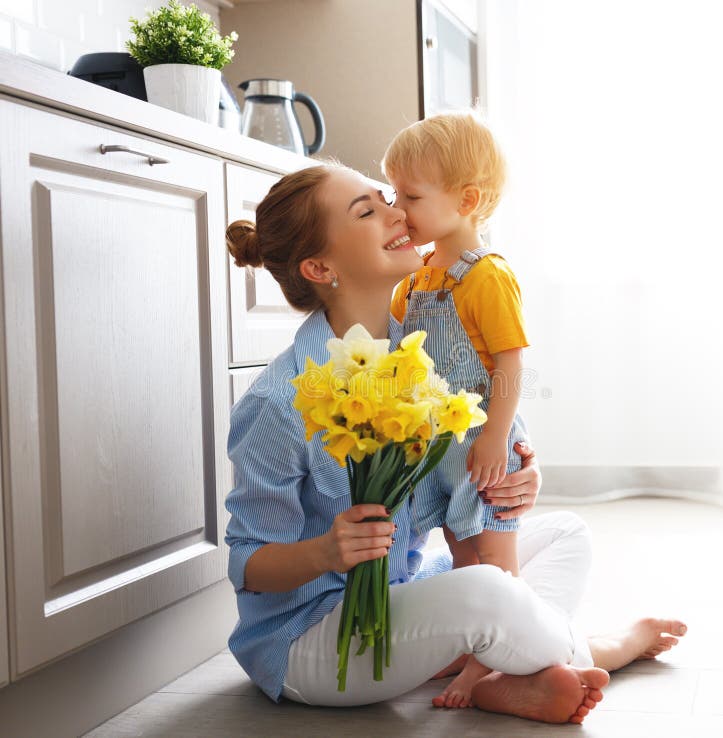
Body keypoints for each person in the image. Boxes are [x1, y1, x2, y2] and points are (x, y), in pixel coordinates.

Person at [224, 162, 687, 724]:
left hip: (404, 586)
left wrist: (514, 474)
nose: (398, 212)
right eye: (368, 212)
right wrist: (326, 552)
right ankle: (604, 648)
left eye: (385, 198)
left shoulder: (424, 355)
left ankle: (496, 674)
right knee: (487, 592)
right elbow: (248, 563)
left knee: (565, 533)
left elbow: (465, 454)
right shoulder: (281, 400)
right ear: (321, 267)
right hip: (314, 638)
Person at [383, 112, 528, 704]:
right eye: (393, 193)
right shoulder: (414, 279)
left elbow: (511, 364)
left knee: (494, 557)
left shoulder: (485, 277)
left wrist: (496, 437)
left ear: (466, 200)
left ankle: (504, 657)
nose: (398, 209)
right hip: (436, 448)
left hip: (482, 443)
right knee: (463, 553)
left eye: (410, 196)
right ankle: (476, 649)